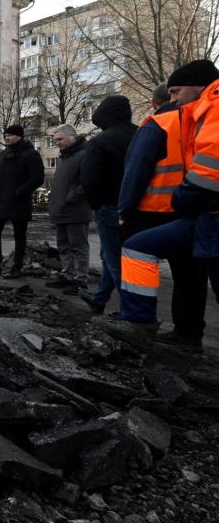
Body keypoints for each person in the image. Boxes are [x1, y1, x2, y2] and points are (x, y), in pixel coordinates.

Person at [105, 60, 219, 350]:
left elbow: (136, 171)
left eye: (177, 91)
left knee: (136, 250)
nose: (174, 100)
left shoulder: (164, 120)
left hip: (159, 209)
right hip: (197, 211)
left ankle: (138, 322)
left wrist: (124, 210)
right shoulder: (196, 116)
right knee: (192, 276)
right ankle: (188, 334)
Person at [79, 95, 137, 314]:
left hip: (109, 206)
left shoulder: (100, 141)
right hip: (139, 208)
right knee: (119, 256)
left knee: (114, 259)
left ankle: (133, 313)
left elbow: (89, 179)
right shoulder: (141, 134)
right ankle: (100, 298)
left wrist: (97, 204)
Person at [0, 125, 45, 278]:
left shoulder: (31, 154)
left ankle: (16, 268)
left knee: (19, 236)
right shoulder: (2, 155)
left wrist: (19, 192)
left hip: (19, 202)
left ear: (19, 136)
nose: (6, 138)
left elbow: (37, 179)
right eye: (5, 135)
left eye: (10, 135)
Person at [45, 124, 91, 294]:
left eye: (59, 139)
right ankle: (68, 275)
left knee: (78, 246)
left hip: (76, 210)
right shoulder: (65, 157)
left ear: (72, 136)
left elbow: (86, 183)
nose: (57, 142)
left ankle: (80, 280)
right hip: (62, 210)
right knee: (63, 245)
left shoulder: (84, 155)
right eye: (55, 139)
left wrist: (70, 198)